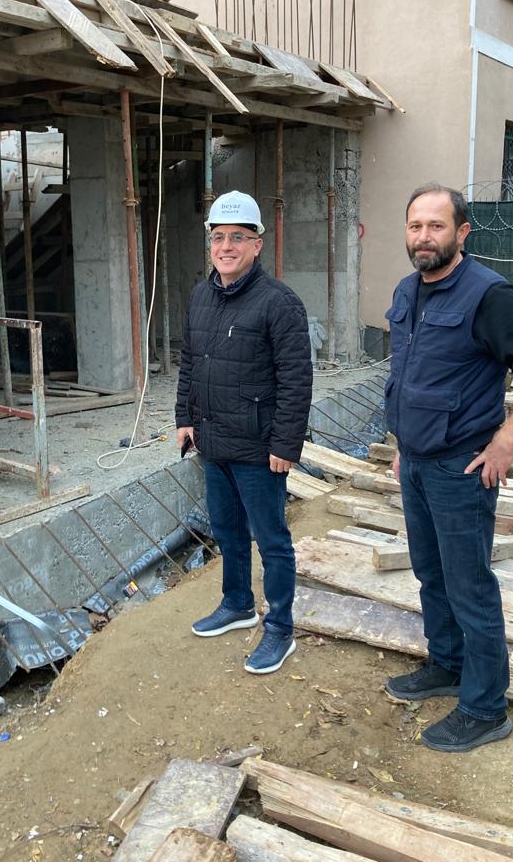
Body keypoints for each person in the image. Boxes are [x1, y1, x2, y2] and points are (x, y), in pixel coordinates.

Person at [384, 183, 513, 752]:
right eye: (416, 226)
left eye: (436, 226)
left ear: (462, 233)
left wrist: (506, 442)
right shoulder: (408, 290)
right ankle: (447, 664)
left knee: (470, 588)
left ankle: (486, 708)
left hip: (460, 470)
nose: (424, 237)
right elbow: (410, 376)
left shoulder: (488, 294)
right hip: (416, 462)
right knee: (430, 574)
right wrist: (402, 443)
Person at [175, 189, 312, 675]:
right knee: (228, 531)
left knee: (271, 540)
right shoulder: (200, 296)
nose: (226, 246)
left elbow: (296, 380)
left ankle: (280, 628)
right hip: (213, 440)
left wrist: (286, 444)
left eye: (237, 237)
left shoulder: (279, 303)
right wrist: (184, 418)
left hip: (259, 447)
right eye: (218, 237)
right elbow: (189, 363)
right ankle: (237, 604)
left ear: (257, 244)